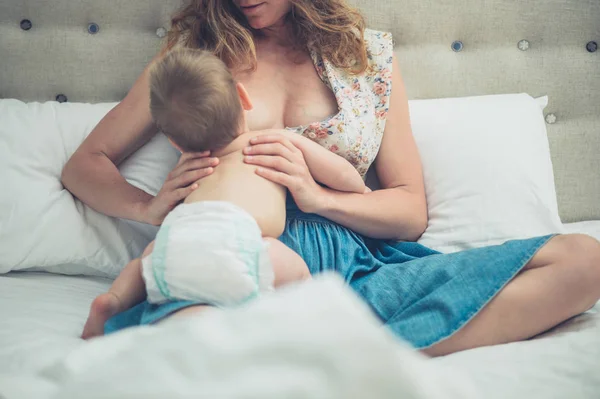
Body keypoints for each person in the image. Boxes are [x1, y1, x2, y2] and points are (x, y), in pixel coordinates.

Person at [62, 0, 600, 356]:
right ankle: (322, 351)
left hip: (355, 265)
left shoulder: (369, 58)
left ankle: (342, 349)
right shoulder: (192, 60)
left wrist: (316, 196)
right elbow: (85, 165)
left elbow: (410, 212)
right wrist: (148, 208)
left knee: (583, 260)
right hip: (231, 257)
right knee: (194, 325)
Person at [81, 48, 369, 339]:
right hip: (243, 244)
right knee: (299, 273)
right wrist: (358, 187)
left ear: (175, 142)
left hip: (177, 240)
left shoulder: (188, 164)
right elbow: (344, 175)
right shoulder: (274, 141)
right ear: (243, 98)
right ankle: (315, 324)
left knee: (143, 263)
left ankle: (114, 301)